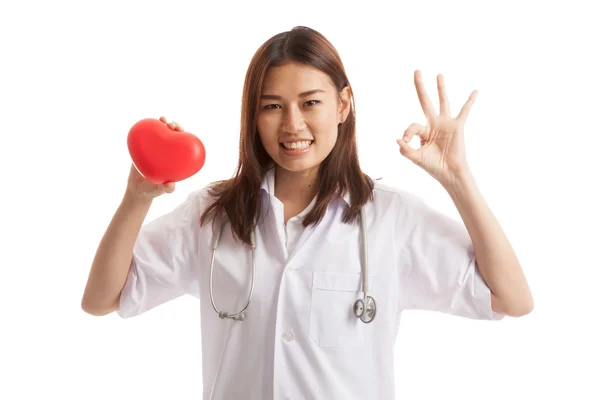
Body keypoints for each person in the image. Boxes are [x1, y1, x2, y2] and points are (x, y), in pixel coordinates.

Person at [81, 26, 533, 399]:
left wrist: (458, 179)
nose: (292, 124)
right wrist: (137, 197)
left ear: (343, 105)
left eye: (310, 102)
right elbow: (102, 299)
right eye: (272, 106)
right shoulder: (213, 214)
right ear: (252, 117)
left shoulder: (391, 218)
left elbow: (511, 299)